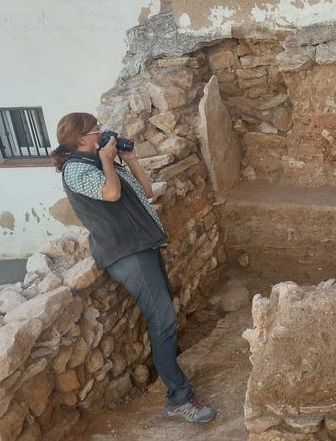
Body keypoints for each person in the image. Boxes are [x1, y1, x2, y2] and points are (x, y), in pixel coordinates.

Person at [50, 112, 215, 424]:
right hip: (125, 253)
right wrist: (109, 160)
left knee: (163, 315)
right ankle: (178, 398)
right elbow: (110, 194)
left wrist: (131, 158)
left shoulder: (101, 161)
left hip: (141, 246)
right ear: (79, 138)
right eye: (94, 128)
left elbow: (147, 192)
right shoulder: (75, 169)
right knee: (163, 317)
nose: (101, 131)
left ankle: (172, 374)